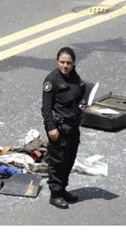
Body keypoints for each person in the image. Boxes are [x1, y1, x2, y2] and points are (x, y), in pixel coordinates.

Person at [41, 47, 85, 209]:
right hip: (59, 128)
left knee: (69, 159)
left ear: (73, 64)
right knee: (57, 161)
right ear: (57, 61)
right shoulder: (51, 80)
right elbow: (46, 108)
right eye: (62, 62)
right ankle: (55, 194)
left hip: (73, 126)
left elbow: (78, 96)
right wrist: (51, 128)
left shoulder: (74, 77)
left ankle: (63, 189)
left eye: (69, 63)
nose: (65, 66)